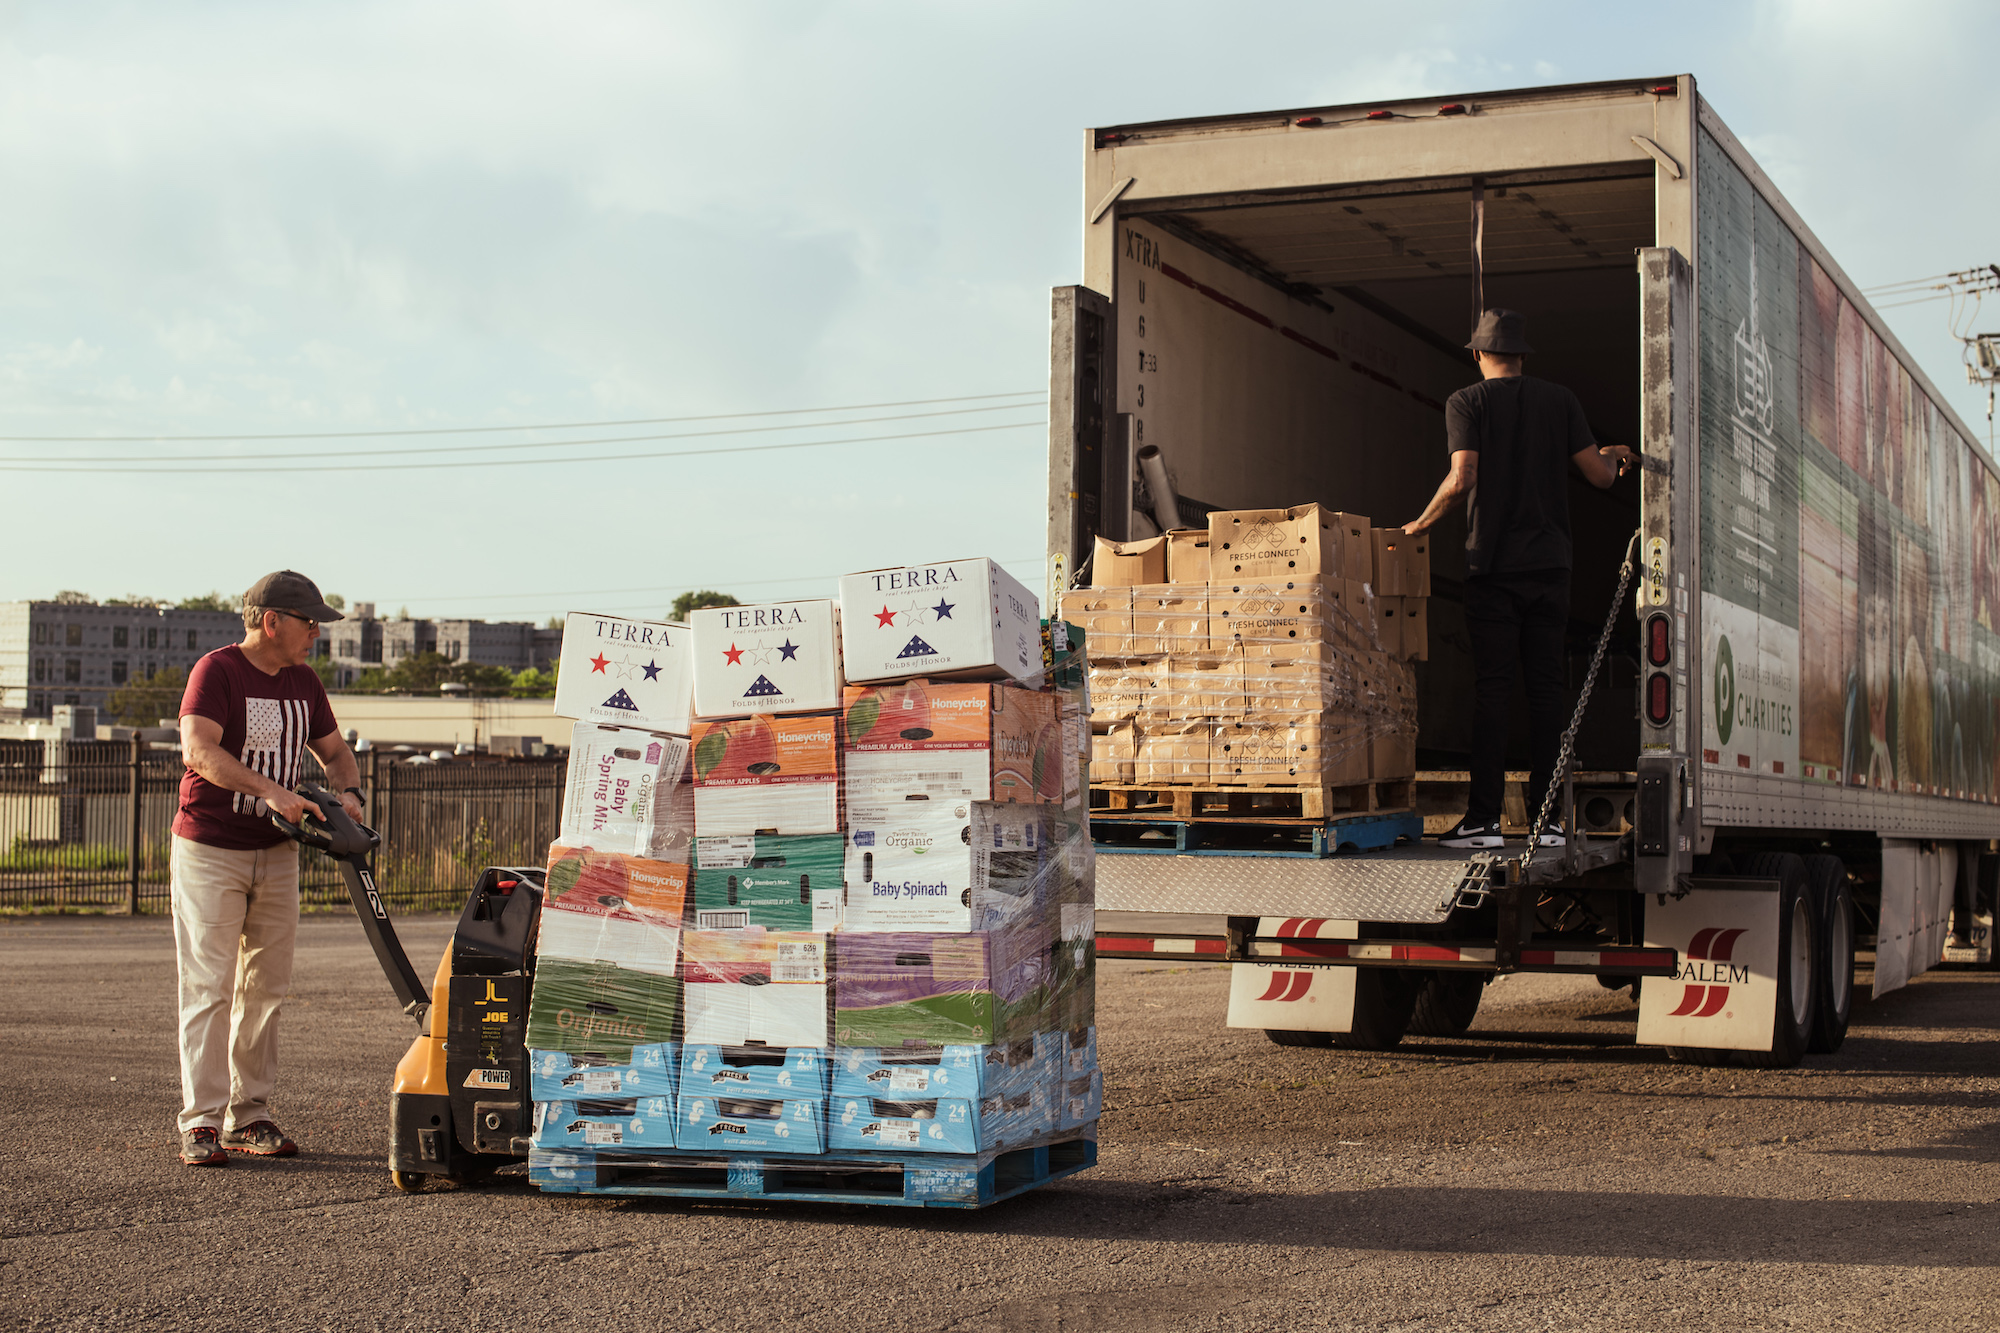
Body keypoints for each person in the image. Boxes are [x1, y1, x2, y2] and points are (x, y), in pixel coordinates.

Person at [1400, 309, 1633, 850]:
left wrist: (1420, 524)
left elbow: (1463, 477)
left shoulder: (1467, 401)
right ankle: (1547, 822)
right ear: (1524, 356)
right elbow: (1599, 476)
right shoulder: (1561, 400)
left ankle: (1482, 820)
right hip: (1552, 569)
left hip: (1494, 567)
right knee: (1548, 691)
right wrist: (1616, 457)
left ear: (1478, 354)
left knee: (1494, 691)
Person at [171, 571, 362, 1166]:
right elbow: (199, 750)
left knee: (266, 988)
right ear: (270, 620)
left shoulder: (304, 682)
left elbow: (334, 751)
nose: (316, 635)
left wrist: (350, 794)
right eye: (309, 624)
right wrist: (273, 791)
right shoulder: (218, 671)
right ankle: (201, 1122)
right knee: (209, 985)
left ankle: (248, 1114)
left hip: (277, 853)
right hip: (211, 848)